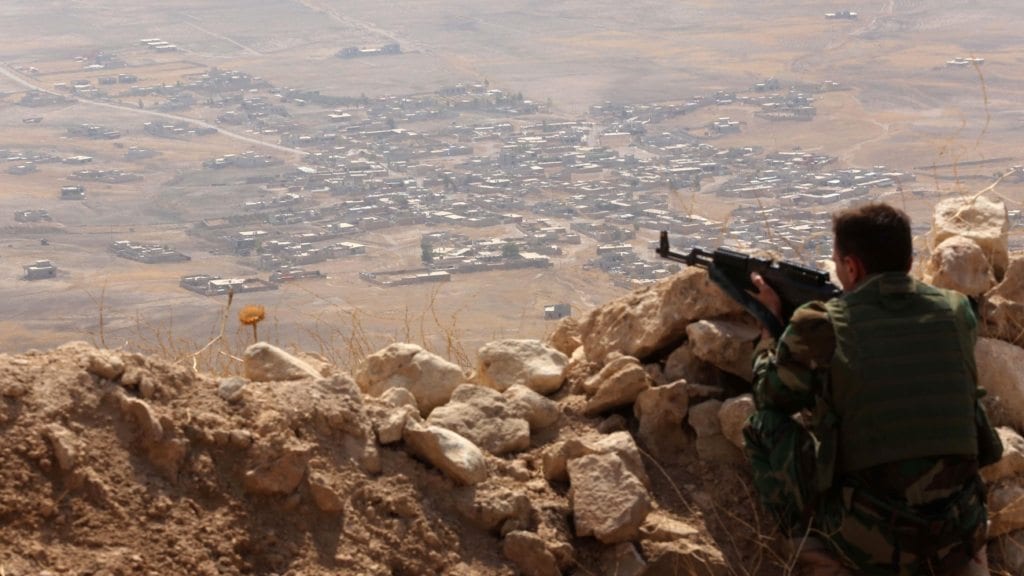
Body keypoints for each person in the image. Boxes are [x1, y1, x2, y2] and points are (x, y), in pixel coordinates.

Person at [743, 203, 1001, 576]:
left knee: (761, 426)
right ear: (910, 261)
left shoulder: (821, 323)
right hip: (957, 530)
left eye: (838, 262)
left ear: (852, 267)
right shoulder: (957, 311)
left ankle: (814, 548)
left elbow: (772, 395)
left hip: (873, 542)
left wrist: (770, 333)